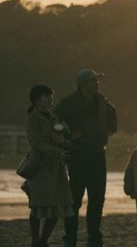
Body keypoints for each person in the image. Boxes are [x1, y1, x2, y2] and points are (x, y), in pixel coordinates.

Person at [55, 68, 118, 247]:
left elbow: (113, 117)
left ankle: (94, 236)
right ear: (83, 83)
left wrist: (108, 131)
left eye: (97, 80)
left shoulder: (101, 100)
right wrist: (67, 135)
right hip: (78, 155)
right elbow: (53, 120)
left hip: (98, 154)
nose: (97, 83)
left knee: (97, 199)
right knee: (74, 199)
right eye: (93, 80)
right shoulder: (69, 102)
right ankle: (70, 236)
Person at [24, 85, 74, 247]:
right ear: (37, 99)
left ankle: (43, 241)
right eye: (47, 96)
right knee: (38, 207)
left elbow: (59, 136)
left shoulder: (53, 116)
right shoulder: (32, 117)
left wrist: (66, 143)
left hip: (56, 167)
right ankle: (36, 240)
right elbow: (37, 143)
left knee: (56, 207)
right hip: (40, 166)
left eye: (51, 96)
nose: (51, 99)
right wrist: (58, 151)